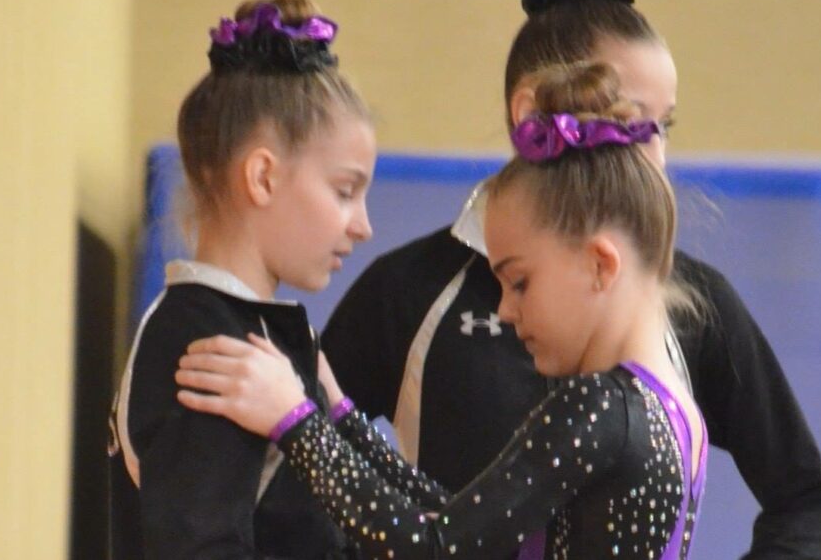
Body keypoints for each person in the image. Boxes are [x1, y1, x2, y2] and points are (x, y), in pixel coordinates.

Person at [321, 0, 821, 558]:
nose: (646, 152)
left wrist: (300, 424)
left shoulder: (672, 323)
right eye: (622, 118)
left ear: (603, 266)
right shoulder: (410, 290)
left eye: (661, 126)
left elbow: (808, 499)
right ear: (534, 114)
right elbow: (446, 521)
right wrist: (326, 419)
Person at [176, 60, 709, 559]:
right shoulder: (669, 409)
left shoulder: (596, 408)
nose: (503, 311)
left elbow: (435, 547)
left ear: (600, 265)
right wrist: (339, 415)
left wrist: (295, 422)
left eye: (520, 282)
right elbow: (465, 520)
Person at [107, 0, 376, 559]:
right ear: (262, 177)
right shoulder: (207, 342)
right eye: (345, 192)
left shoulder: (257, 332)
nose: (363, 226)